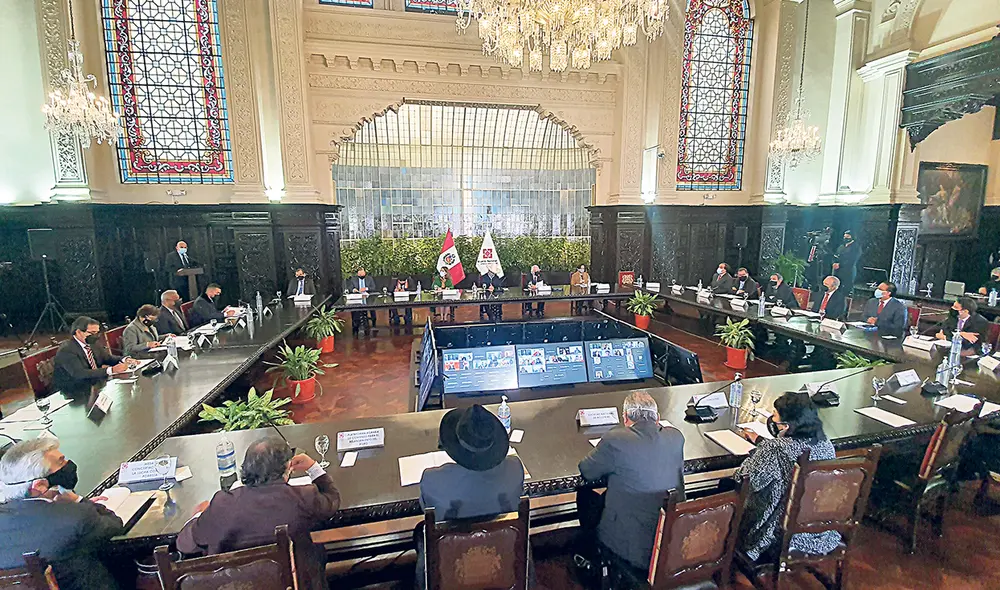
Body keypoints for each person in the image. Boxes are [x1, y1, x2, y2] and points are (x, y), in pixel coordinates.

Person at [177, 436, 340, 590]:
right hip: (294, 582)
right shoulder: (303, 497)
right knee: (317, 552)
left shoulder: (222, 504)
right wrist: (313, 468)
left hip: (237, 585)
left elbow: (185, 544)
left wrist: (200, 515)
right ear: (287, 469)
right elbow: (332, 500)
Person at [417, 404, 525, 589]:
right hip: (504, 560)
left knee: (420, 531)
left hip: (451, 567)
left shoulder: (431, 479)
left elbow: (425, 508)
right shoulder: (516, 468)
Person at [577, 392, 685, 573]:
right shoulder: (676, 437)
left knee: (586, 496)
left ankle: (590, 558)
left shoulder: (616, 439)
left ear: (625, 418)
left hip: (627, 544)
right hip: (669, 539)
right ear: (657, 418)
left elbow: (586, 470)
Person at [0, 439, 125, 590]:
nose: (68, 464)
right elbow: (115, 524)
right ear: (39, 486)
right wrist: (78, 500)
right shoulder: (76, 516)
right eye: (61, 462)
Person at [736, 391, 840, 562]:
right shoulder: (825, 444)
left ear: (786, 426)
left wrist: (757, 454)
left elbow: (746, 480)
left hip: (778, 532)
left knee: (728, 488)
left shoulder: (776, 449)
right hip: (820, 532)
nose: (772, 418)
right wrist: (762, 443)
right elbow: (791, 453)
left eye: (775, 415)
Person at [52, 316, 130, 398]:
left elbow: (107, 358)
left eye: (97, 333)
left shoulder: (93, 344)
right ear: (78, 332)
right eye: (92, 333)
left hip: (96, 386)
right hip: (74, 393)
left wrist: (125, 359)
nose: (96, 336)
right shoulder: (67, 350)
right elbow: (79, 373)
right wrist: (111, 370)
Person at [344, 267, 378, 336]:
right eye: (360, 274)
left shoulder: (369, 279)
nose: (362, 275)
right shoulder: (353, 279)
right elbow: (350, 288)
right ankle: (356, 325)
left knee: (372, 304)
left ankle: (373, 322)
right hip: (357, 297)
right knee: (355, 308)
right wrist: (354, 290)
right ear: (358, 274)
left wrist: (366, 288)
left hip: (368, 296)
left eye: (363, 273)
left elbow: (373, 287)